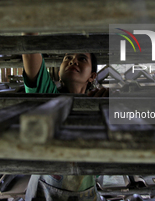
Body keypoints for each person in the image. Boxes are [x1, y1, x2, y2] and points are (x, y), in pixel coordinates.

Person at [23, 47, 108, 201]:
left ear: (92, 76)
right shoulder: (46, 94)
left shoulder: (99, 103)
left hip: (84, 191)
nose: (73, 60)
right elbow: (29, 48)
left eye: (82, 58)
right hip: (42, 192)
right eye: (67, 57)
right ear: (60, 74)